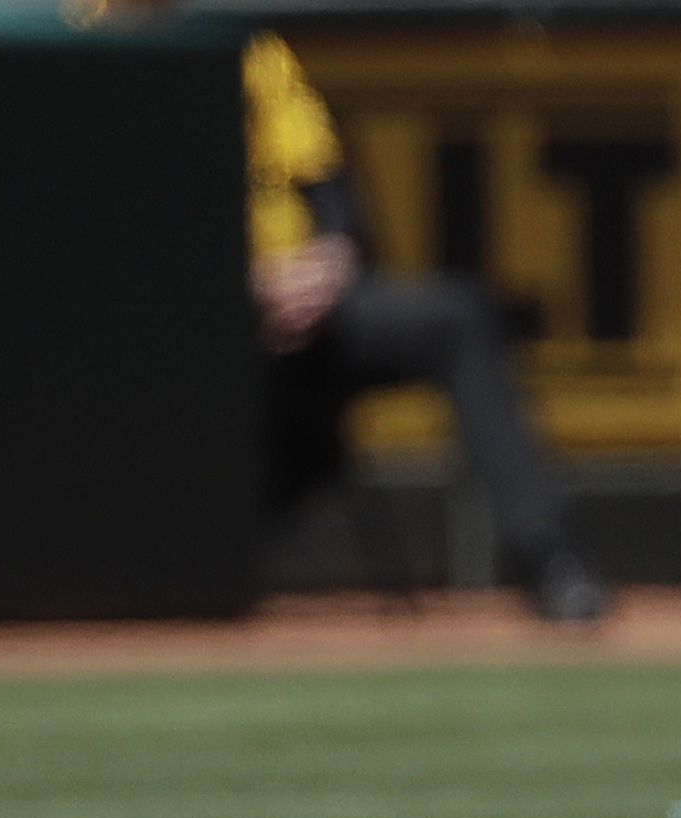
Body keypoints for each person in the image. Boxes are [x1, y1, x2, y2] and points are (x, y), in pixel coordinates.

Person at [242, 32, 610, 626]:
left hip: (310, 310)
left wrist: (327, 264)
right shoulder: (76, 35)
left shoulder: (252, 52)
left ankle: (549, 555)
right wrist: (247, 286)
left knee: (457, 317)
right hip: (181, 328)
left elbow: (333, 196)